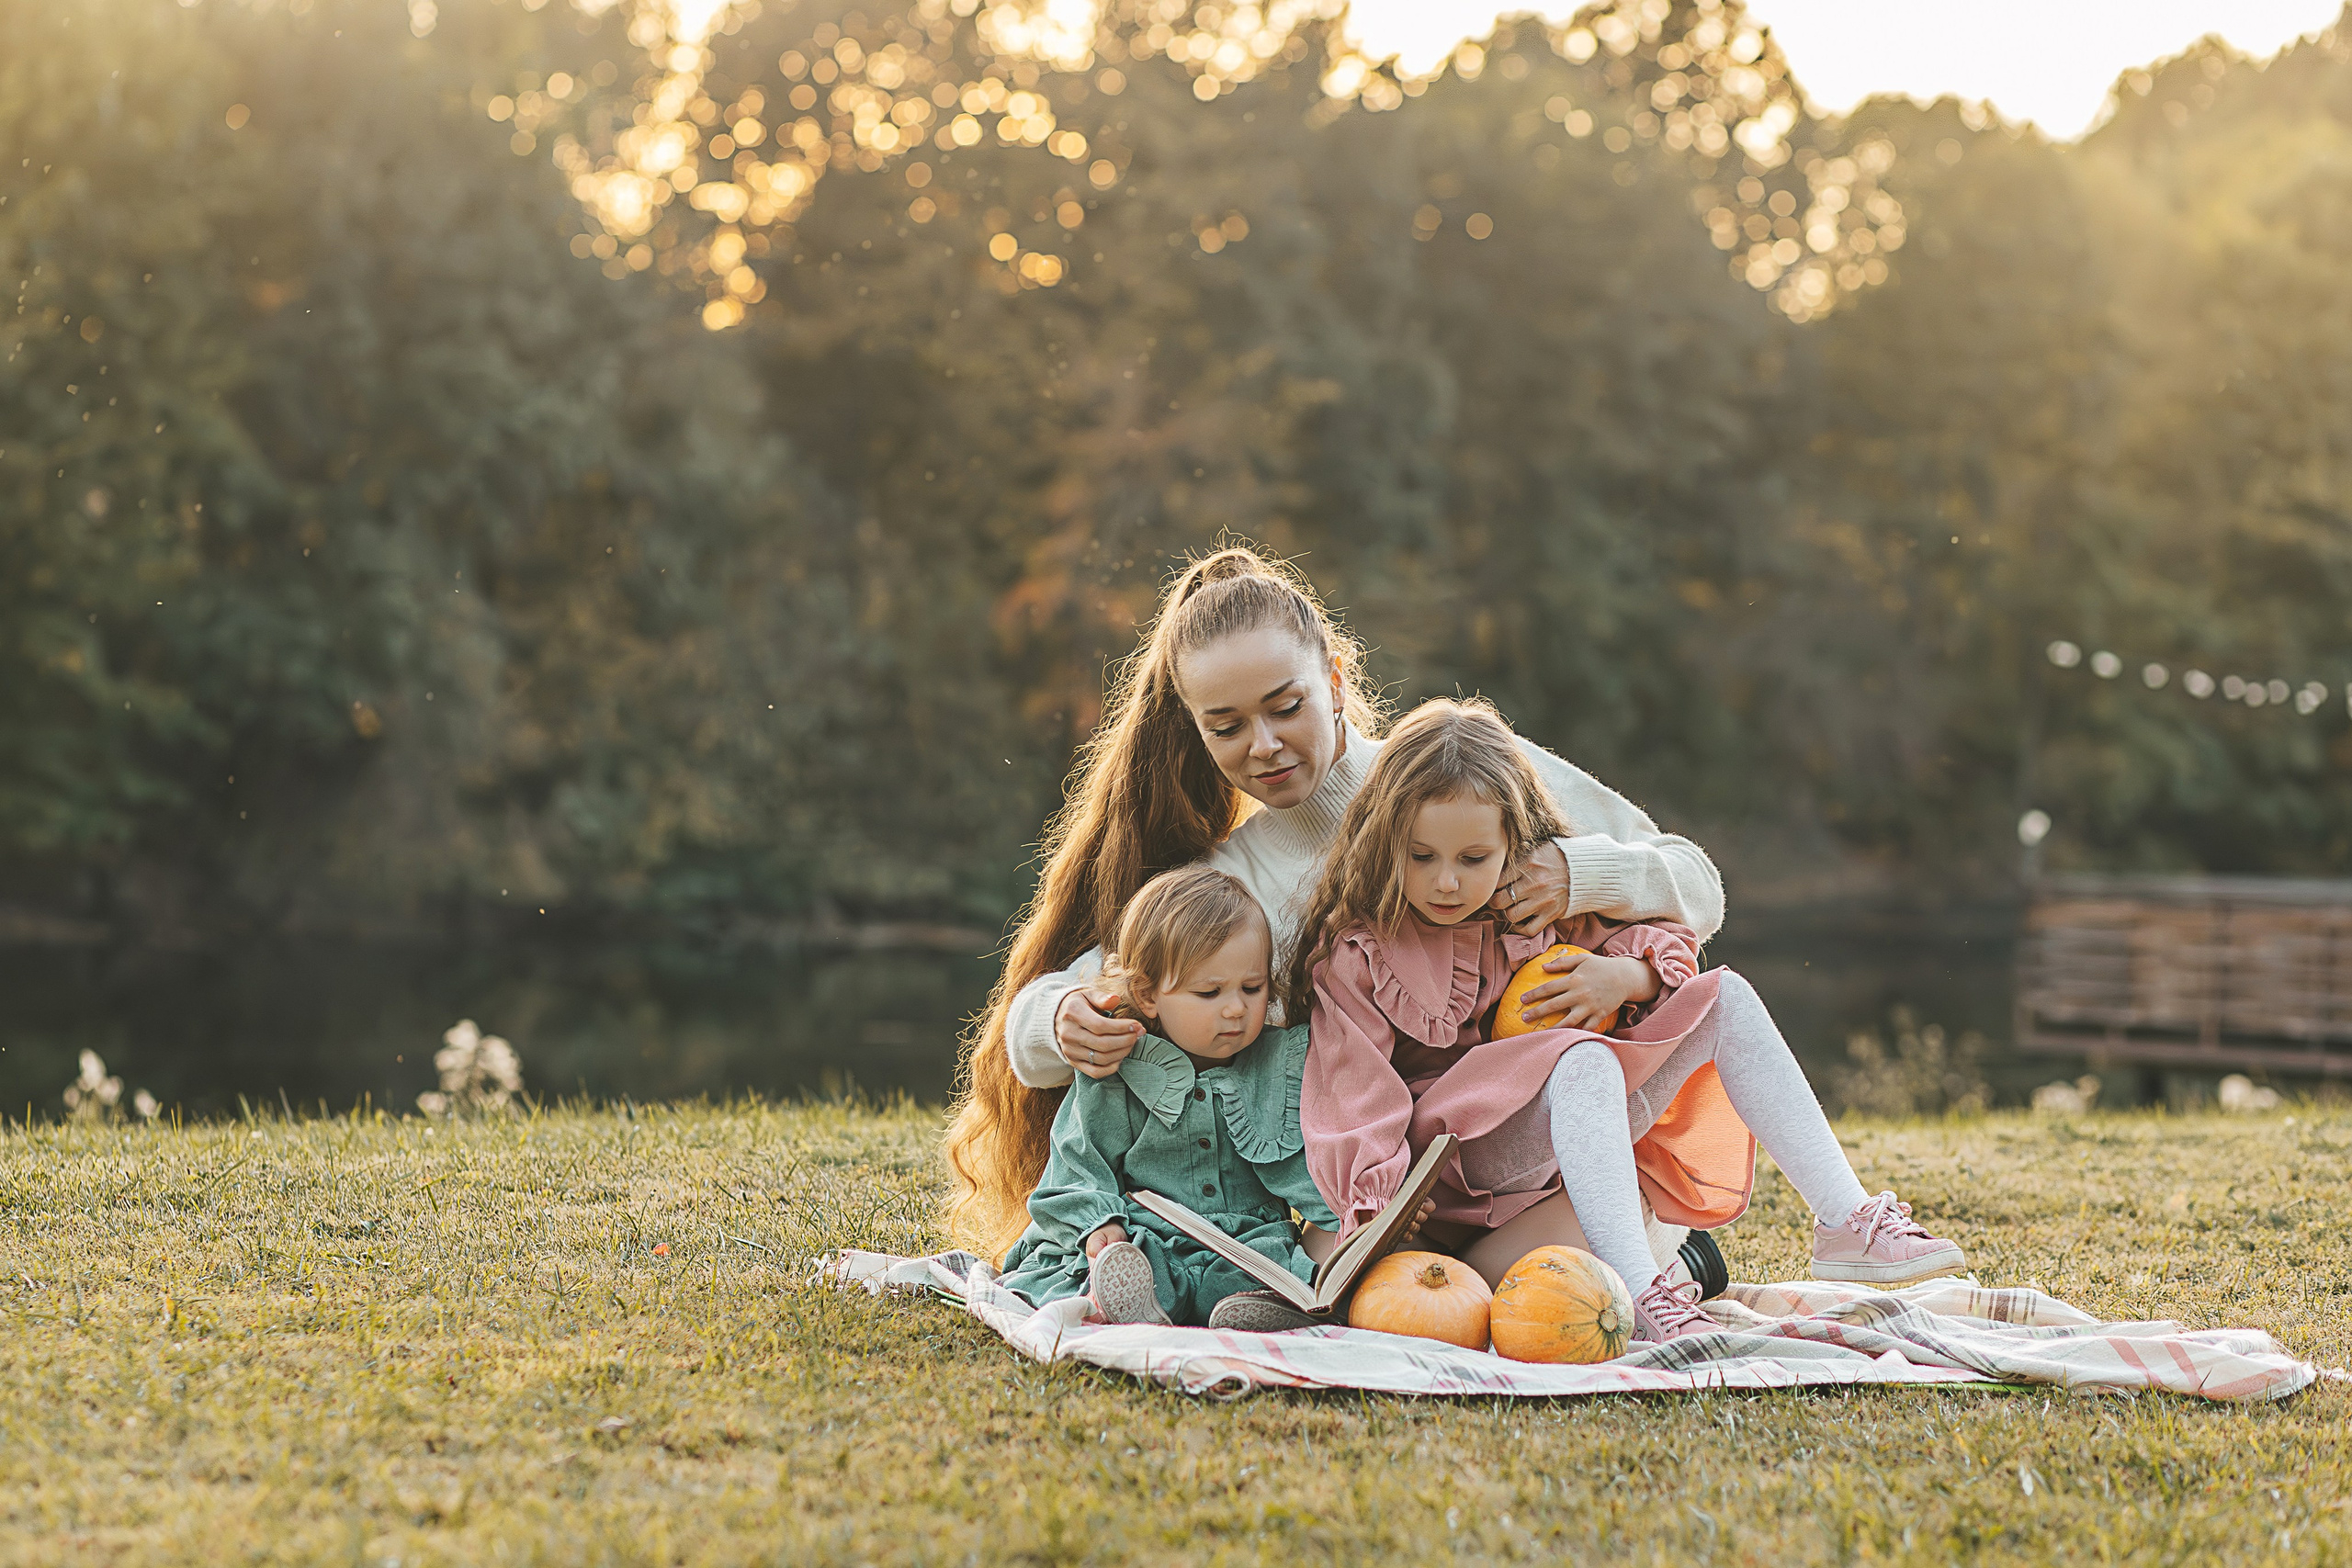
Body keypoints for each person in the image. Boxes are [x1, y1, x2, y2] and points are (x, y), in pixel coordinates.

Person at [945, 545, 1724, 1267]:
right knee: (1350, 1284)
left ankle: (1657, 1249)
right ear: (1197, 729)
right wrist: (1057, 1017)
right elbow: (1054, 1019)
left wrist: (1573, 872)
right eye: (1227, 726)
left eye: (1286, 706)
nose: (1264, 744)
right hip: (1390, 1188)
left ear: (1337, 680)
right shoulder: (1236, 881)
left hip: (1543, 1149)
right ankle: (1629, 1264)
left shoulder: (1456, 771)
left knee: (1540, 1281)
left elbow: (1698, 885)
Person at [1292, 698, 1966, 1344]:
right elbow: (1353, 1093)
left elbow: (1665, 937)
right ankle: (1647, 1296)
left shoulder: (1530, 901)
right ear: (1386, 841)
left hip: (1543, 1167)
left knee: (1721, 996)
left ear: (1511, 840)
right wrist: (1378, 1210)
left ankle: (1846, 1219)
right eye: (1422, 856)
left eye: (1474, 858)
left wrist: (1632, 975)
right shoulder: (1363, 947)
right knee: (1580, 1058)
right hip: (1451, 1169)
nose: (1447, 882)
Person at [997, 866, 1342, 1333]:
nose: (1236, 1008)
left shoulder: (1277, 1066)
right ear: (1148, 993)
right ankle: (1130, 1298)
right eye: (1209, 991)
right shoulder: (1119, 1069)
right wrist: (1099, 1224)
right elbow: (1078, 1160)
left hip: (1244, 1240)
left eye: (1252, 988)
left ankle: (1258, 1307)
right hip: (1148, 1229)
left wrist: (1347, 1218)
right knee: (1133, 1260)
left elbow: (1304, 1169)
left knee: (1262, 1270)